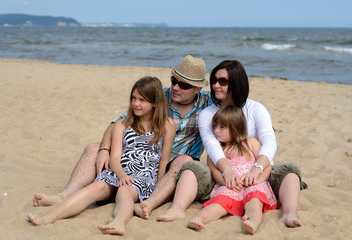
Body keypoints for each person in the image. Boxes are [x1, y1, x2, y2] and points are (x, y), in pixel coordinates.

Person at [31, 55, 212, 219]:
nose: (176, 87)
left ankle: (149, 202)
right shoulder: (158, 95)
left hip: (170, 163)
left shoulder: (208, 102)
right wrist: (103, 149)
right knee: (92, 148)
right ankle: (64, 195)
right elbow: (120, 122)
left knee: (184, 160)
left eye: (184, 85)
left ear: (197, 89)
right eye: (174, 81)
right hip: (135, 155)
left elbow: (233, 103)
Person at [157, 60, 307, 228]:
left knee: (291, 171)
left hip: (256, 175)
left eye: (223, 81)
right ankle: (177, 209)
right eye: (214, 80)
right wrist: (226, 173)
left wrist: (257, 169)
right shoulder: (208, 112)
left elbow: (269, 141)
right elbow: (211, 144)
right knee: (191, 167)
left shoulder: (256, 109)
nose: (215, 85)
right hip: (222, 177)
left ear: (236, 83)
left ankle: (289, 214)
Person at [27, 76, 176, 236]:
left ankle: (119, 222)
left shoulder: (167, 125)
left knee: (125, 191)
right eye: (133, 98)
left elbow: (164, 160)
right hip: (120, 170)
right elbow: (115, 157)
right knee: (96, 187)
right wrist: (121, 175)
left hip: (144, 175)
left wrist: (156, 191)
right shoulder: (122, 124)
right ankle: (49, 217)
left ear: (155, 102)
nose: (136, 104)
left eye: (142, 100)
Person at [187, 105, 277, 234]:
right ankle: (200, 218)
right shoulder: (217, 151)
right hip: (230, 185)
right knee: (219, 203)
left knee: (254, 201)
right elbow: (215, 171)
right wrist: (226, 183)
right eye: (215, 126)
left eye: (222, 127)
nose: (216, 131)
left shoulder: (250, 143)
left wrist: (260, 180)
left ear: (236, 128)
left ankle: (253, 221)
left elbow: (267, 165)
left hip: (253, 183)